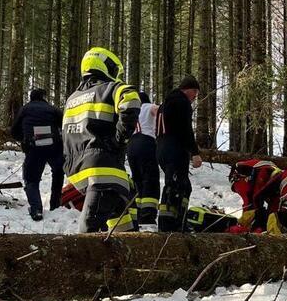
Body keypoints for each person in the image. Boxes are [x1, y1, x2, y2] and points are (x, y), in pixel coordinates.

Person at [62, 47, 142, 233]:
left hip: (80, 173)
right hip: (103, 171)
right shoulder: (111, 88)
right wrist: (119, 139)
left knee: (115, 226)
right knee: (91, 232)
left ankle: (130, 255)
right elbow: (130, 98)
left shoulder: (72, 99)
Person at [156, 76, 203, 232]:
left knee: (184, 186)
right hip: (174, 150)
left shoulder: (165, 104)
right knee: (175, 186)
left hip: (162, 149)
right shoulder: (181, 102)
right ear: (186, 89)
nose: (195, 96)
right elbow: (185, 130)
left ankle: (178, 221)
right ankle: (169, 225)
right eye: (194, 91)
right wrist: (194, 152)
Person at [10, 87, 64, 221]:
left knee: (31, 179)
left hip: (34, 148)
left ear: (31, 97)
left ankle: (36, 209)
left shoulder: (24, 109)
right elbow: (64, 125)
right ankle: (55, 205)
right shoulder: (53, 109)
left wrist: (24, 139)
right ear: (44, 97)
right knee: (58, 173)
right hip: (54, 147)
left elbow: (14, 131)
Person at [228, 159, 287, 234]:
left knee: (268, 216)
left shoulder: (286, 174)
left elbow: (253, 199)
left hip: (286, 209)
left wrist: (253, 219)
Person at [126, 92, 160, 225]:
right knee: (150, 178)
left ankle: (137, 213)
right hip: (146, 142)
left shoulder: (133, 112)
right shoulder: (147, 106)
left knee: (137, 179)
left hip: (131, 145)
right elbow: (157, 110)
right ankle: (148, 215)